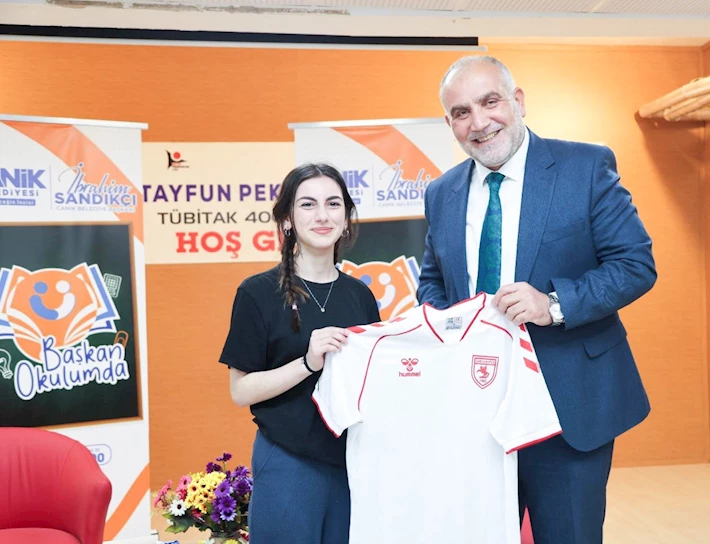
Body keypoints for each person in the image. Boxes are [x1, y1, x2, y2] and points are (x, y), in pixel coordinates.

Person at [417, 55, 657, 544]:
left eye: (489, 102)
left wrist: (553, 304)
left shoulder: (585, 167)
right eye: (461, 112)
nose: (479, 122)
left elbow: (635, 264)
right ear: (450, 124)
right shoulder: (441, 193)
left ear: (518, 101)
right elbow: (433, 281)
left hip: (567, 407)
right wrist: (448, 321)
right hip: (474, 410)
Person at [219, 163, 380, 544]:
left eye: (333, 204)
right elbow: (241, 391)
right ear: (288, 219)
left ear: (346, 218)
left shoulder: (360, 295)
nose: (322, 215)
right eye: (308, 204)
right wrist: (307, 363)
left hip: (351, 462)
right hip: (289, 463)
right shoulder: (257, 293)